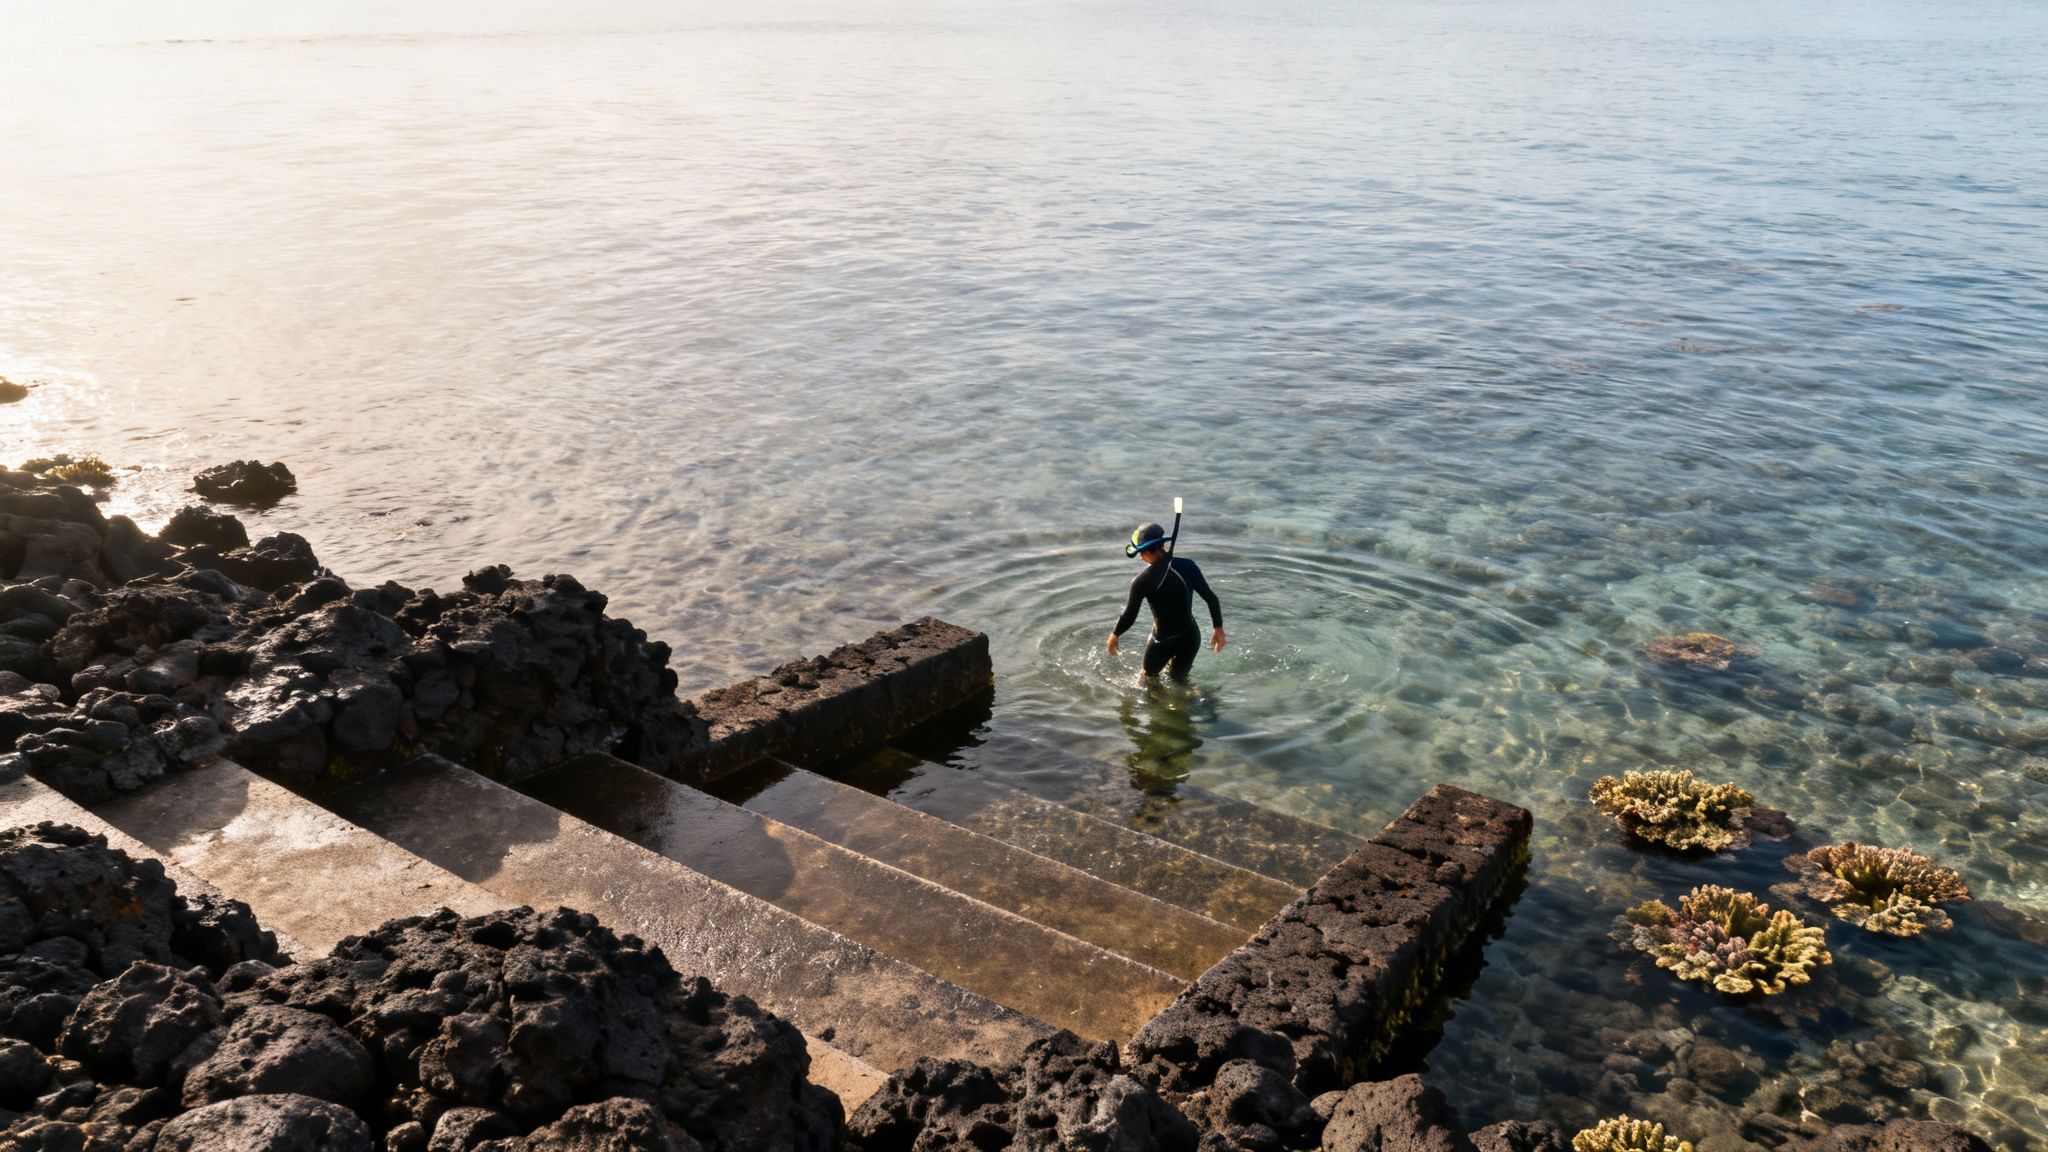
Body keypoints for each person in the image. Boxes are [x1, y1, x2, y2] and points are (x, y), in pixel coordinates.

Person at [1106, 521, 1224, 682]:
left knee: (1147, 679)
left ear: (1148, 550)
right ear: (1161, 545)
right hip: (1190, 637)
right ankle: (1194, 700)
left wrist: (1114, 635)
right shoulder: (1188, 566)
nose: (1140, 556)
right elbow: (1211, 598)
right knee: (1179, 681)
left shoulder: (1141, 581)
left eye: (1141, 552)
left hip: (1162, 643)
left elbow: (1130, 616)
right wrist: (1218, 628)